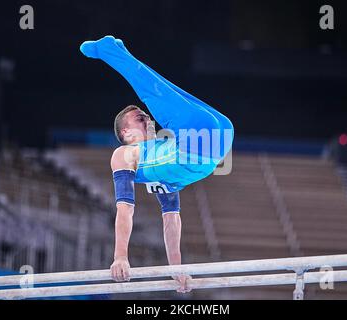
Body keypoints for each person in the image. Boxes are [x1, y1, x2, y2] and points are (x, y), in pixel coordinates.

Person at [80, 36, 234, 293]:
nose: (147, 118)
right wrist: (120, 256)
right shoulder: (124, 153)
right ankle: (109, 50)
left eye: (146, 115)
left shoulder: (161, 160)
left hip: (208, 142)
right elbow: (126, 209)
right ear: (126, 134)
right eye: (140, 118)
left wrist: (174, 267)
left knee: (167, 90)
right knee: (153, 89)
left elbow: (171, 219)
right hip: (201, 147)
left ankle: (119, 51)